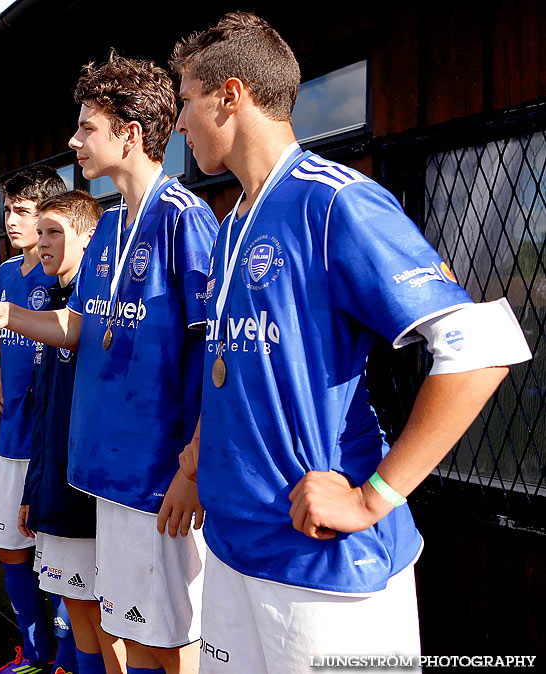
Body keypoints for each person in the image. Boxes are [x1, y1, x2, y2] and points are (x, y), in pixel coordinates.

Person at [169, 13, 531, 673]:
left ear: (231, 95)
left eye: (186, 99)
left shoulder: (335, 202)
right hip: (233, 549)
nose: (180, 123)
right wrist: (196, 465)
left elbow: (480, 348)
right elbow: (235, 372)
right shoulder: (230, 225)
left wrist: (374, 498)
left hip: (327, 563)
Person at [0, 52, 219, 674]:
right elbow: (82, 327)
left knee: (175, 639)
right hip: (103, 473)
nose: (73, 139)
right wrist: (6, 317)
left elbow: (214, 348)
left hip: (159, 477)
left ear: (130, 135)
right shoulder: (109, 225)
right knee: (132, 632)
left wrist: (192, 463)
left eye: (86, 127)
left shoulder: (184, 219)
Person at [17, 191, 126, 674]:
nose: (43, 243)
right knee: (74, 601)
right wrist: (32, 489)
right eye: (40, 233)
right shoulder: (52, 304)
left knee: (105, 614)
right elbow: (45, 412)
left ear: (89, 238)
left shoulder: (96, 308)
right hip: (52, 481)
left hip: (86, 488)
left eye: (54, 232)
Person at [0, 165, 69, 674]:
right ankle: (34, 654)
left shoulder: (63, 276)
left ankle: (64, 660)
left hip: (47, 444)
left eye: (22, 211)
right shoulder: (5, 273)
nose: (11, 221)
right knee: (10, 550)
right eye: (8, 210)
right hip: (8, 435)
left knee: (59, 561)